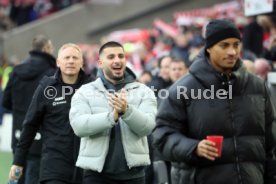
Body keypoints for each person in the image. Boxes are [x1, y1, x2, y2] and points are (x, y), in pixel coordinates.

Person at [152, 19, 276, 184]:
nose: (232, 51)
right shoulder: (181, 90)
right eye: (224, 46)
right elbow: (162, 137)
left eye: (236, 44)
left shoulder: (258, 87)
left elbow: (270, 143)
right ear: (209, 48)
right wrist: (193, 148)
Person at [69, 41, 157, 184]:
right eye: (111, 57)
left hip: (134, 175)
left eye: (120, 56)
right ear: (100, 62)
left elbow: (148, 127)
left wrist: (127, 111)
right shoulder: (84, 92)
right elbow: (79, 127)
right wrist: (111, 117)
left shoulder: (144, 91)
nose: (117, 60)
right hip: (96, 175)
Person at [8, 43, 93, 184]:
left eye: (75, 58)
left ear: (82, 62)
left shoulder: (92, 87)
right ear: (58, 62)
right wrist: (18, 161)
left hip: (86, 167)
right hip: (54, 166)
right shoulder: (46, 88)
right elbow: (30, 125)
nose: (71, 61)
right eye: (67, 58)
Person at [3, 34, 56, 184]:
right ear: (46, 49)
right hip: (41, 137)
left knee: (17, 174)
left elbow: (6, 102)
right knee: (35, 177)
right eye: (51, 48)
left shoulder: (16, 70)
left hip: (19, 134)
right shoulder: (52, 72)